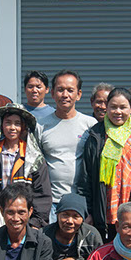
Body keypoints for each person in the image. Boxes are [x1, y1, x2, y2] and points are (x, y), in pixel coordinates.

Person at [76, 87, 131, 241]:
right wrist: (88, 211)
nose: (118, 112)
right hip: (103, 212)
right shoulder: (96, 136)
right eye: (113, 107)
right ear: (106, 107)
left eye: (123, 107)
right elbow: (86, 178)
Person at [0, 104, 52, 228]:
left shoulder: (33, 157)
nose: (12, 128)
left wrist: (35, 223)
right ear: (1, 125)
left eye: (17, 123)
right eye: (8, 123)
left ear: (23, 127)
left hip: (24, 223)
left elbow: (42, 194)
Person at [38, 70, 97, 220]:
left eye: (70, 90)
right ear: (52, 93)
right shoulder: (41, 126)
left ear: (79, 94)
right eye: (60, 90)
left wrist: (91, 208)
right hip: (51, 203)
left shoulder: (90, 125)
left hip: (81, 202)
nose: (65, 95)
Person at [43, 193, 103, 260]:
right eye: (65, 215)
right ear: (57, 215)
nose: (70, 221)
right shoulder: (44, 235)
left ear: (83, 219)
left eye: (76, 216)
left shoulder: (91, 235)